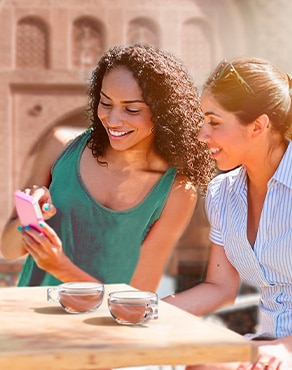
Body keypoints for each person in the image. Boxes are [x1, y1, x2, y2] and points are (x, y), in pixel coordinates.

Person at [0, 43, 215, 291]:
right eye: (105, 102)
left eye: (131, 109)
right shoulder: (60, 146)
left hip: (105, 327)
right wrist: (32, 222)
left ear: (162, 113)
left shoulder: (177, 190)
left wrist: (58, 266)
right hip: (34, 322)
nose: (112, 120)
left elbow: (139, 296)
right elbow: (8, 248)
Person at [164, 57, 292, 369]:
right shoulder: (223, 194)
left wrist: (286, 349)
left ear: (258, 126)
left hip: (282, 351)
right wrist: (150, 312)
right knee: (200, 362)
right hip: (266, 346)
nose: (201, 135)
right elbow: (221, 286)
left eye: (215, 122)